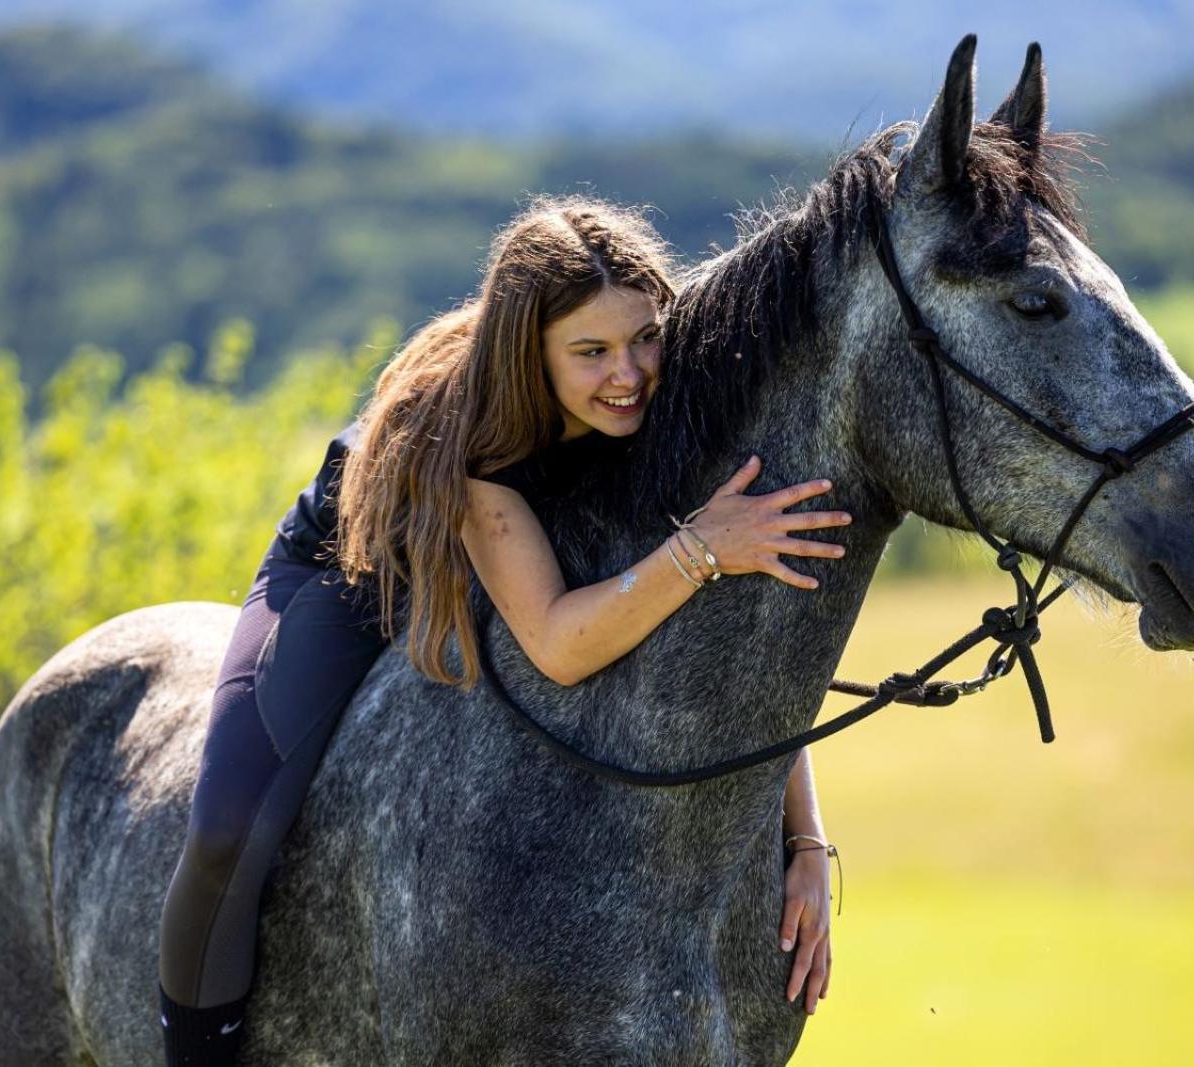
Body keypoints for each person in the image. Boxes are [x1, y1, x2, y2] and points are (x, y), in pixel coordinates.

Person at [156, 196, 853, 1065]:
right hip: (354, 572)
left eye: (644, 336)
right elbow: (559, 642)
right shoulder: (477, 442)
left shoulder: (663, 408)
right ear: (533, 355)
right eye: (590, 352)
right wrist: (701, 549)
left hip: (531, 577)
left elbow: (727, 658)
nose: (629, 373)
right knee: (229, 826)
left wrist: (809, 842)